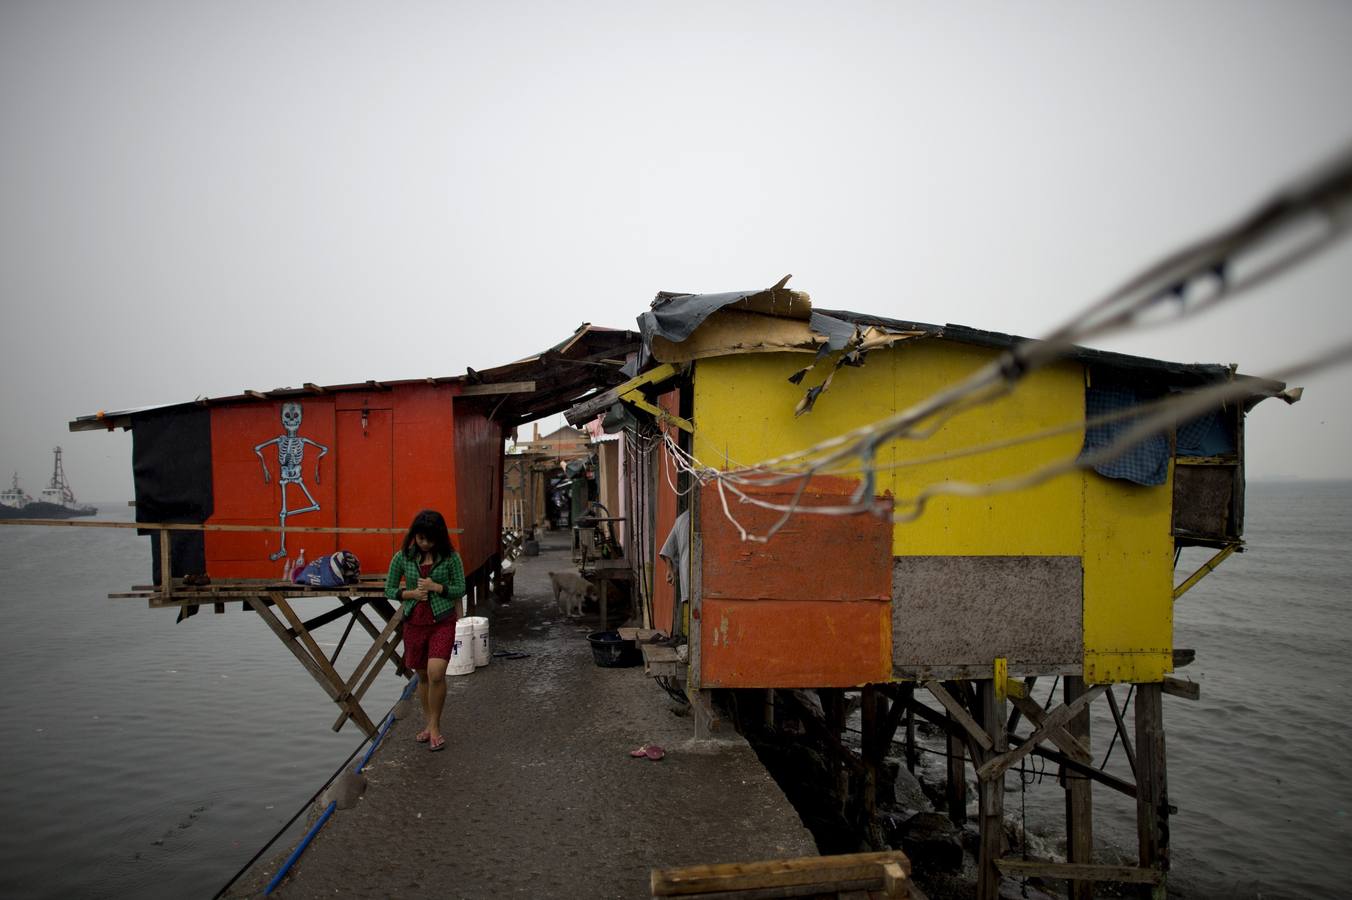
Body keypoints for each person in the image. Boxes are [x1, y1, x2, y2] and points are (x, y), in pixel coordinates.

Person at [385, 509, 465, 752]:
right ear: (414, 536)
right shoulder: (403, 558)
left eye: (430, 539)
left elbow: (460, 588)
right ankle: (428, 724)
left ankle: (435, 726)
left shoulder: (451, 558)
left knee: (436, 672)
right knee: (421, 675)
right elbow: (389, 589)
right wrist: (410, 594)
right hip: (415, 621)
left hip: (442, 619)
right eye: (421, 539)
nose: (425, 543)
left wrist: (437, 587)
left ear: (439, 537)